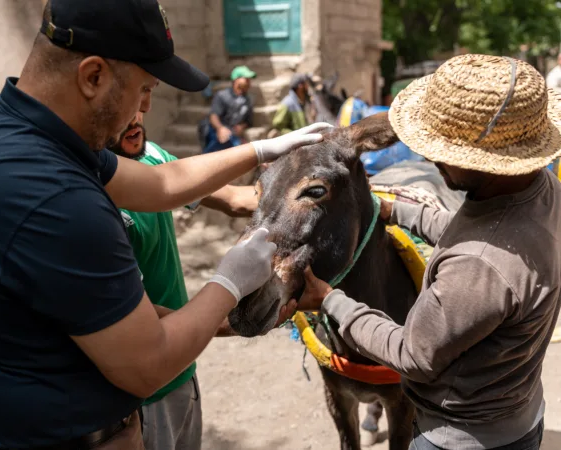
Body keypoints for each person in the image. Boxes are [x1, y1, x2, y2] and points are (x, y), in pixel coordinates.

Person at [0, 0, 331, 448]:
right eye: (142, 91)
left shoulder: (21, 136)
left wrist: (261, 150)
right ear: (93, 76)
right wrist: (230, 282)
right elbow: (149, 363)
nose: (142, 109)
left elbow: (160, 181)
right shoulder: (55, 197)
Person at [296, 54, 561, 449]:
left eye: (441, 150)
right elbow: (471, 234)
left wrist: (331, 300)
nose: (431, 159)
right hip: (520, 410)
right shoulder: (542, 191)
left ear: (486, 161)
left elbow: (412, 355)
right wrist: (397, 210)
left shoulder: (477, 267)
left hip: (460, 438)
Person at [109, 113, 297, 450]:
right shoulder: (98, 205)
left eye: (145, 98)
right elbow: (137, 319)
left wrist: (298, 192)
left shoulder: (152, 155)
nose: (137, 116)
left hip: (182, 371)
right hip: (145, 397)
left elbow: (236, 199)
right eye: (130, 97)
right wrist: (234, 316)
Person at [200, 66, 257, 154]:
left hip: (233, 133)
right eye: (246, 79)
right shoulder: (222, 96)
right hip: (216, 130)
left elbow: (249, 121)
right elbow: (213, 116)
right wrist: (220, 128)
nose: (249, 83)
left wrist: (242, 126)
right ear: (236, 80)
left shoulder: (248, 100)